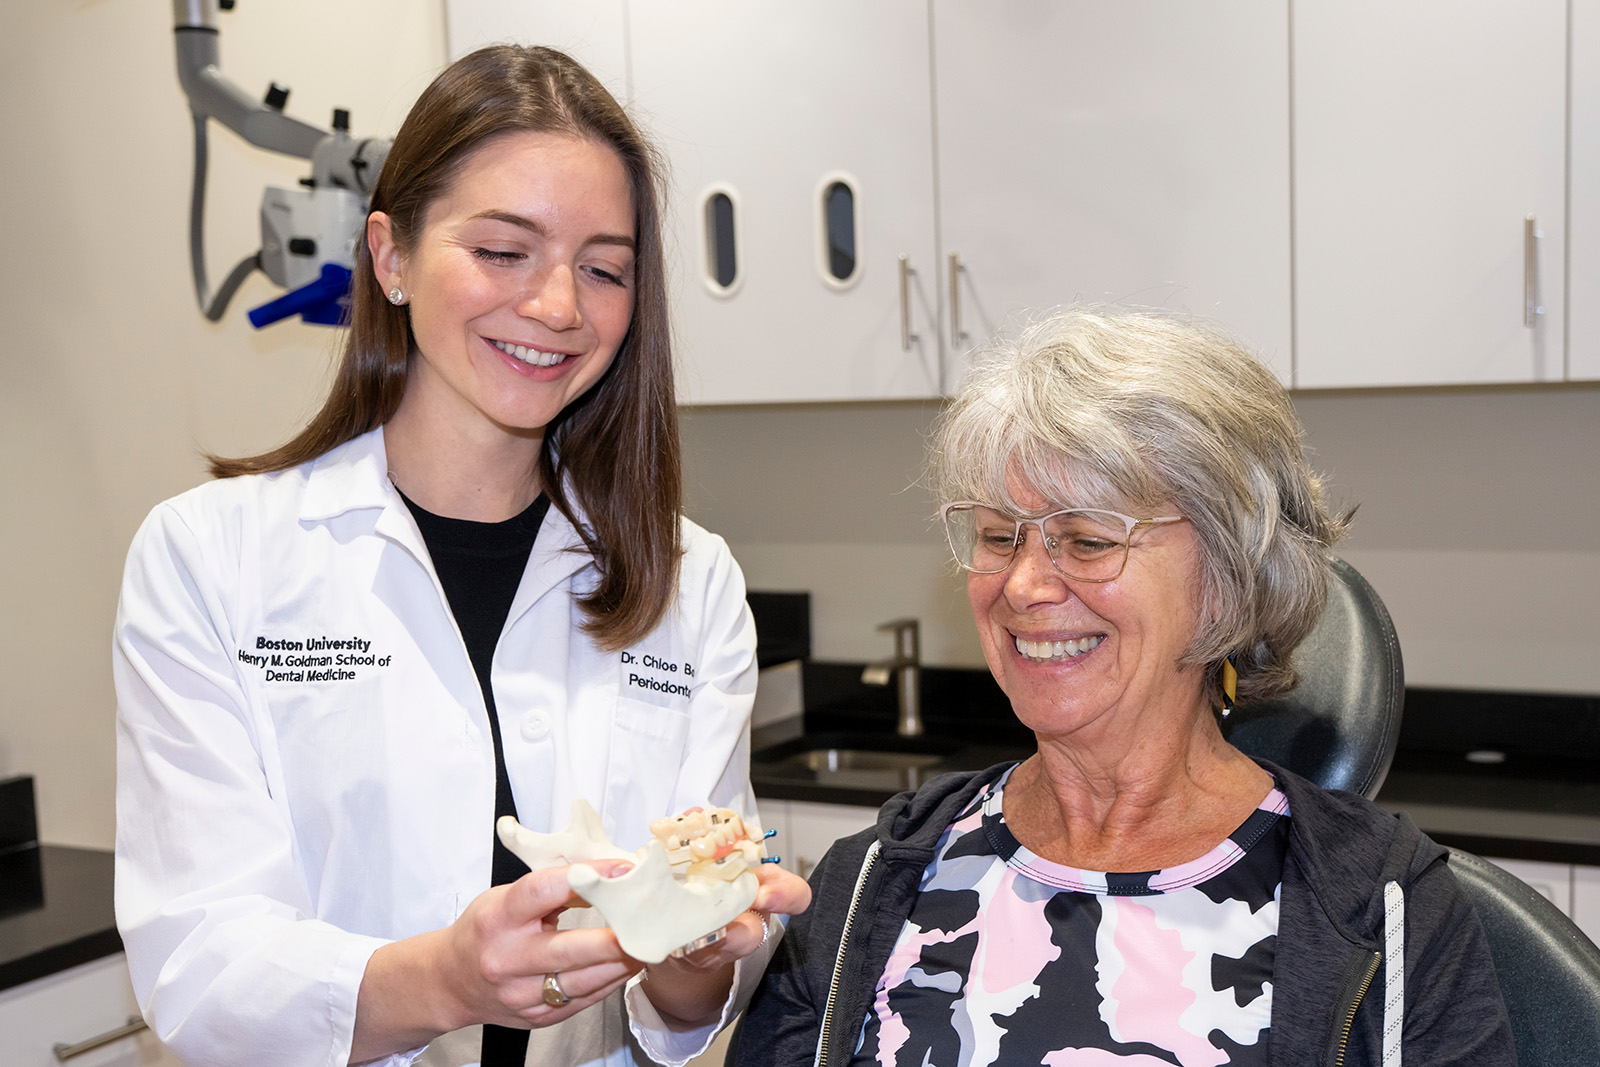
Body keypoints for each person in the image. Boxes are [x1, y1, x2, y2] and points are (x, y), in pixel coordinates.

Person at [114, 44, 807, 1067]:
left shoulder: (688, 581)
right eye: (502, 250)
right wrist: (445, 978)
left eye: (604, 269)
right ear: (389, 257)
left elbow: (686, 1011)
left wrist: (698, 946)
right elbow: (197, 967)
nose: (559, 306)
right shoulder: (209, 557)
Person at [734, 308, 1514, 1067]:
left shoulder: (1387, 913)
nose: (1024, 584)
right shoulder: (872, 880)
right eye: (1000, 535)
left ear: (1225, 580)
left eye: (1088, 539)